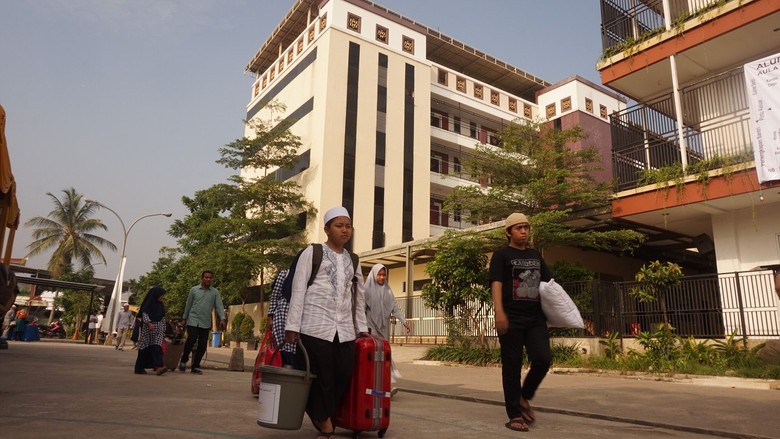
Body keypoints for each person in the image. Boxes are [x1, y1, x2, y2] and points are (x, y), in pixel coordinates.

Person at [285, 206, 369, 439]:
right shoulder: (312, 253)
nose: (344, 230)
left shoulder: (353, 259)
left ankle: (324, 417)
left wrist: (361, 328)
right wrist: (292, 326)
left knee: (342, 374)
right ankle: (324, 423)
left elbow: (358, 295)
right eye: (339, 226)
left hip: (344, 330)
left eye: (348, 226)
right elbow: (298, 289)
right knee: (321, 380)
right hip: (314, 326)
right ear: (327, 229)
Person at [489, 212, 552, 433]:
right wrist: (499, 313)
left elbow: (548, 284)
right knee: (512, 367)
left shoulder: (536, 255)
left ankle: (524, 396)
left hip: (535, 319)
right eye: (519, 228)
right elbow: (496, 284)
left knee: (543, 359)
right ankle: (514, 413)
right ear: (508, 232)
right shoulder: (501, 255)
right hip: (511, 318)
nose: (524, 231)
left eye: (526, 227)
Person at [364, 263, 411, 394]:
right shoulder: (366, 290)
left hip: (384, 329)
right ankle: (378, 385)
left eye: (384, 274)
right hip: (370, 330)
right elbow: (359, 310)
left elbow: (395, 308)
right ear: (374, 275)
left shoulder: (388, 291)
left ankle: (385, 386)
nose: (382, 277)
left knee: (384, 355)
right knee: (374, 356)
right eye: (379, 274)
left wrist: (404, 322)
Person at [178, 270, 226, 375]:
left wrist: (222, 318)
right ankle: (184, 359)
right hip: (193, 320)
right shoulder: (194, 290)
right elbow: (188, 305)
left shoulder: (215, 292)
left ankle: (195, 366)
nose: (208, 279)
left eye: (210, 278)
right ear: (202, 278)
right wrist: (184, 318)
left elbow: (219, 306)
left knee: (203, 345)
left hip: (205, 322)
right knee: (191, 339)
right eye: (206, 277)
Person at [134, 287, 168, 375]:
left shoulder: (160, 305)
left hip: (159, 329)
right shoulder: (148, 304)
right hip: (148, 330)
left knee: (157, 347)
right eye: (161, 295)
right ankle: (140, 368)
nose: (162, 297)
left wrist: (164, 330)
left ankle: (158, 366)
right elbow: (144, 314)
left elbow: (163, 318)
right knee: (145, 347)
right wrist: (148, 323)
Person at [267, 268, 295, 366]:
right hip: (282, 317)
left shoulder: (309, 275)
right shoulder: (285, 273)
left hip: (299, 318)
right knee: (282, 350)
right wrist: (270, 317)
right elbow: (275, 296)